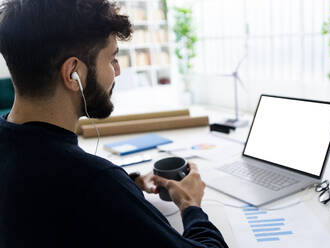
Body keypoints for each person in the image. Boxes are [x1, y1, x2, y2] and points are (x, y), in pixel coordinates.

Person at [0, 0, 228, 247]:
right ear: (72, 74)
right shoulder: (95, 184)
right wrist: (190, 204)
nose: (117, 71)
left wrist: (129, 185)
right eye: (112, 59)